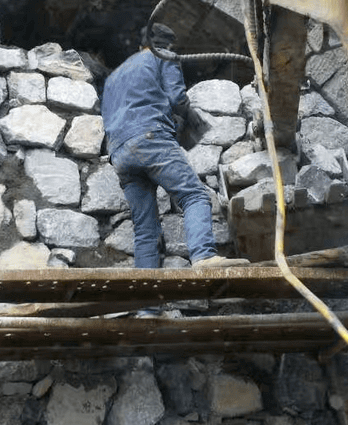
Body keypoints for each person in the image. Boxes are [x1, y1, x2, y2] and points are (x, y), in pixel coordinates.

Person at [101, 22, 250, 270]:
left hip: (119, 153)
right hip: (150, 138)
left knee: (145, 227)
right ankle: (203, 256)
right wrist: (188, 119)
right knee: (195, 196)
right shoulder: (164, 56)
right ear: (167, 45)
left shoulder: (112, 78)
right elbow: (177, 98)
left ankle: (146, 304)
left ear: (141, 44)